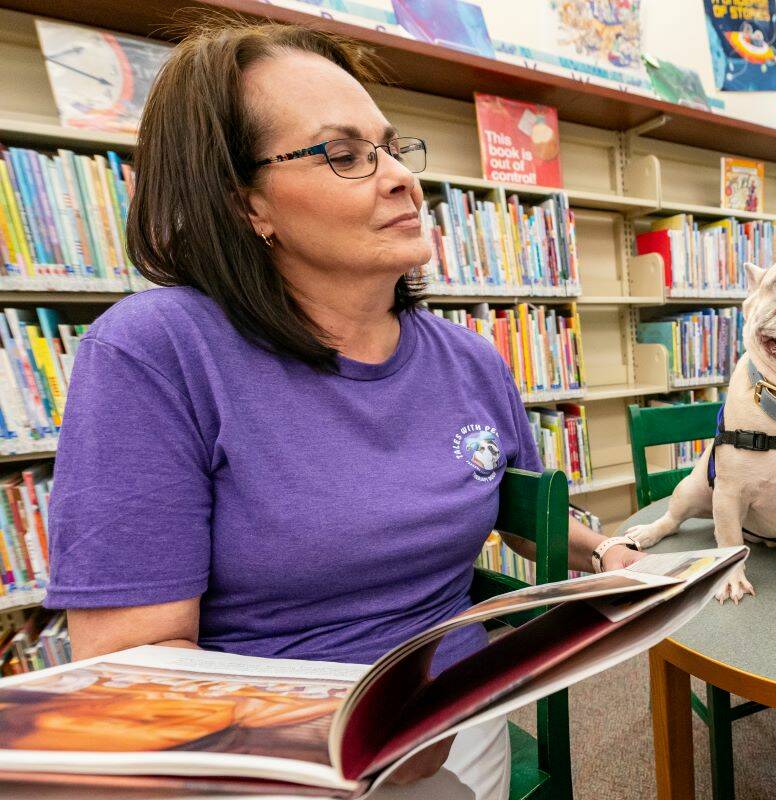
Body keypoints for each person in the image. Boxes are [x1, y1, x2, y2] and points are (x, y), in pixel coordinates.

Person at [44, 19, 643, 798]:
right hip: (266, 763)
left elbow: (514, 509)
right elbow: (130, 669)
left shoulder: (469, 358)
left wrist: (607, 554)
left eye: (392, 147)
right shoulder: (155, 352)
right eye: (345, 154)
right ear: (245, 202)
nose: (400, 177)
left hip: (455, 718)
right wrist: (358, 733)